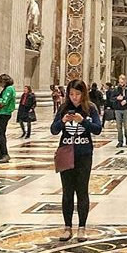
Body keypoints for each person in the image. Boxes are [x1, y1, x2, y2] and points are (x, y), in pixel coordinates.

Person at [50, 79, 101, 243]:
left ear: (83, 94)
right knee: (67, 191)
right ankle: (67, 227)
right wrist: (62, 121)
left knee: (82, 190)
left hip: (84, 153)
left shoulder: (90, 108)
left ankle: (82, 227)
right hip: (65, 152)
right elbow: (53, 130)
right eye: (71, 94)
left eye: (78, 94)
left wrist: (83, 121)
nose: (74, 98)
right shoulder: (64, 108)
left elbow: (98, 129)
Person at [0, 73, 16, 163]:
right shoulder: (7, 89)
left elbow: (4, 101)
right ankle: (2, 152)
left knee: (0, 134)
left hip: (5, 113)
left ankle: (5, 154)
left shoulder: (9, 89)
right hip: (2, 112)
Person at [108, 74, 127, 147]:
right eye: (120, 79)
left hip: (126, 109)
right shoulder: (115, 89)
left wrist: (126, 101)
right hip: (118, 109)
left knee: (126, 126)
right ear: (119, 80)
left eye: (123, 79)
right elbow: (111, 98)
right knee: (119, 126)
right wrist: (117, 98)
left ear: (125, 80)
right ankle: (120, 141)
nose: (122, 81)